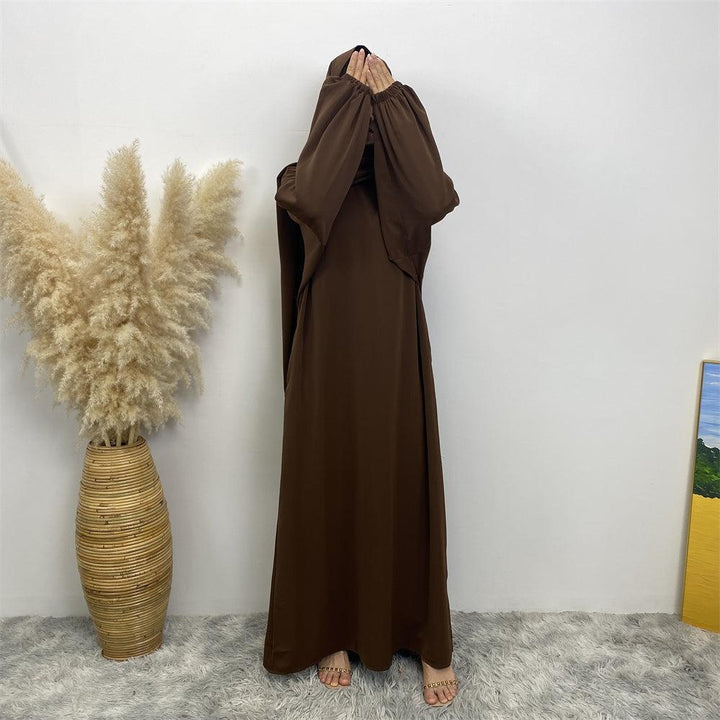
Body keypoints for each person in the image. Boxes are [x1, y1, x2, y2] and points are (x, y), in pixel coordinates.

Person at [264, 44, 460, 707]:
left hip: (395, 353)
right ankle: (331, 629)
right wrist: (351, 100)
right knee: (330, 475)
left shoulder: (402, 193)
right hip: (327, 354)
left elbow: (436, 195)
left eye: (370, 100)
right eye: (352, 98)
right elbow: (318, 195)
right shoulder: (301, 182)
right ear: (332, 107)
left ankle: (424, 636)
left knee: (401, 474)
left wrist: (392, 100)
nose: (365, 112)